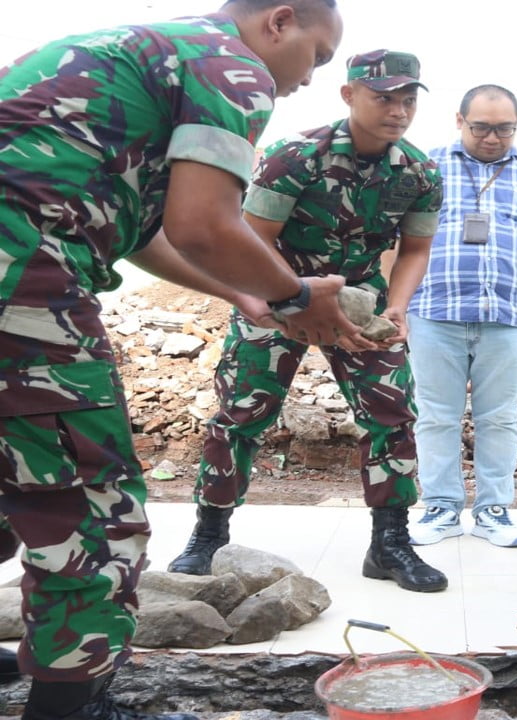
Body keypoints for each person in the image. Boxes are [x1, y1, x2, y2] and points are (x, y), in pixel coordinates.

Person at [0, 2, 347, 718]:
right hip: (19, 271)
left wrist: (247, 295)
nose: (311, 79)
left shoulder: (144, 48)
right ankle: (72, 705)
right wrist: (295, 296)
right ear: (280, 21)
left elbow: (143, 230)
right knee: (89, 508)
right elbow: (204, 224)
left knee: (11, 479)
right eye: (318, 55)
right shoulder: (233, 67)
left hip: (21, 249)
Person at [165, 50, 448, 594]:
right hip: (278, 298)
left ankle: (390, 542)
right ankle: (209, 534)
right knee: (241, 413)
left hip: (360, 303)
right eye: (383, 97)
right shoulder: (295, 156)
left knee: (392, 414)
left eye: (408, 100)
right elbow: (252, 241)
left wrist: (398, 307)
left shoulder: (419, 172)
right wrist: (282, 302)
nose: (397, 110)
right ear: (349, 95)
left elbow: (414, 249)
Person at [406, 85, 517, 549]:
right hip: (436, 311)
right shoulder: (427, 166)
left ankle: (493, 510)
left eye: (505, 129)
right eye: (481, 127)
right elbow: (398, 235)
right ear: (459, 120)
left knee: (498, 418)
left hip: (509, 315)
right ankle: (440, 507)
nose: (493, 138)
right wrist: (392, 304)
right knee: (436, 415)